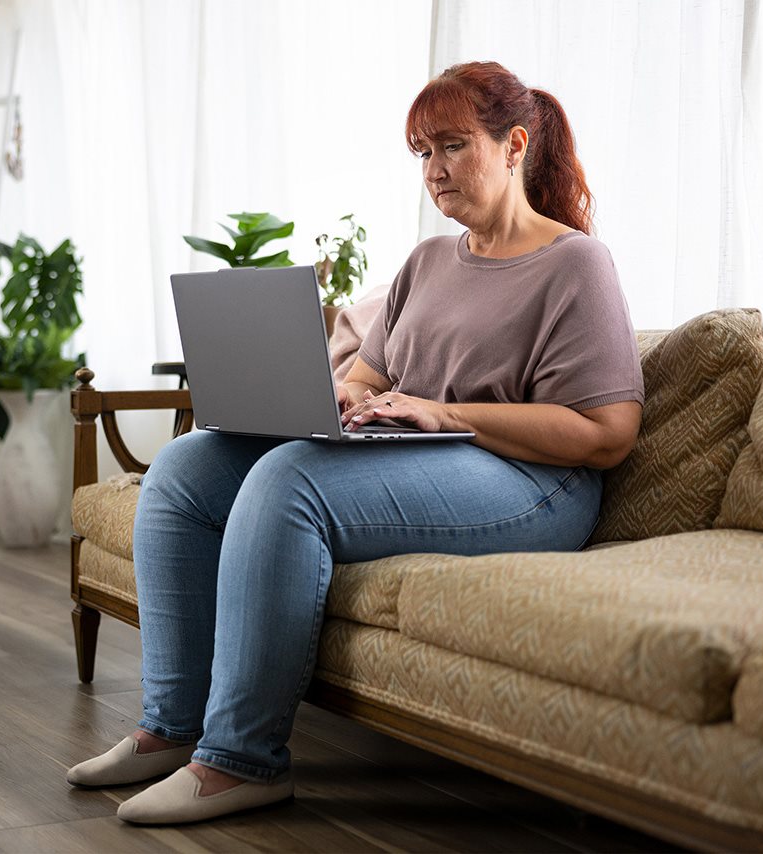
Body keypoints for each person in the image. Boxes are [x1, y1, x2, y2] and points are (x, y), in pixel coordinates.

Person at [66, 60, 644, 825]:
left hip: (533, 481)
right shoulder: (429, 261)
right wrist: (340, 397)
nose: (435, 172)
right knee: (183, 469)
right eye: (422, 155)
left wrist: (443, 411)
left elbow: (606, 434)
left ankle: (242, 761)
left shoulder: (576, 263)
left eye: (452, 147)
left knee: (289, 482)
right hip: (426, 454)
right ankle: (172, 727)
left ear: (514, 145)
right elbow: (370, 376)